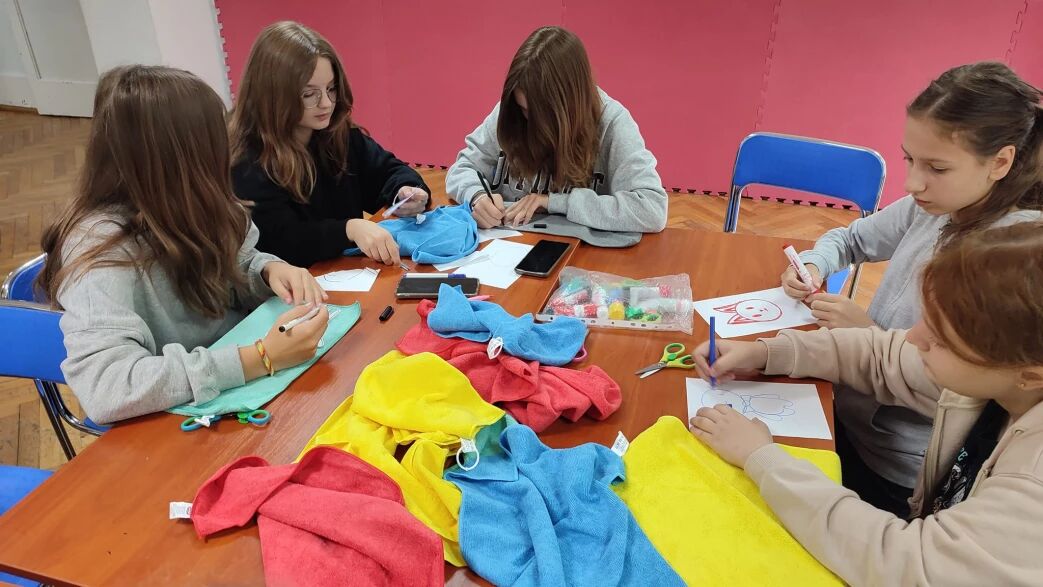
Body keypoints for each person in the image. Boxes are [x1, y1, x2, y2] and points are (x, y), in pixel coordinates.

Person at [693, 222, 1043, 585]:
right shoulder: (1003, 373)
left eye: (941, 340)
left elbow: (905, 564)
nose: (914, 336)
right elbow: (880, 353)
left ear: (1031, 375)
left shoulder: (1033, 484)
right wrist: (766, 352)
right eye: (927, 319)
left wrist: (762, 458)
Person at [779, 62, 1043, 514]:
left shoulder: (1012, 259)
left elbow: (972, 389)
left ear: (1001, 162)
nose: (913, 183)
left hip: (900, 464)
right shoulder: (935, 204)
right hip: (846, 407)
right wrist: (814, 263)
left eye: (936, 167)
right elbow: (852, 239)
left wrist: (869, 332)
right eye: (909, 159)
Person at [39, 65, 328, 425]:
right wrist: (260, 357)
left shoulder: (194, 203)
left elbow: (238, 264)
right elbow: (106, 387)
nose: (226, 154)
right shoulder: (97, 248)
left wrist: (267, 270)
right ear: (177, 160)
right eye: (215, 143)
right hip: (176, 423)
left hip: (235, 391)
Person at [229, 21, 430, 267]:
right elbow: (282, 243)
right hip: (295, 284)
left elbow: (387, 171)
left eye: (331, 89)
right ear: (273, 95)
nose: (325, 103)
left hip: (346, 273)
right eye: (309, 94)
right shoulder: (247, 160)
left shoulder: (337, 133)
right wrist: (348, 230)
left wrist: (405, 190)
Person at [445, 26, 668, 233]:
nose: (530, 122)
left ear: (568, 106)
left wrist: (555, 202)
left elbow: (652, 209)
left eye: (540, 114)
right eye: (524, 109)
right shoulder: (510, 112)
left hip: (582, 254)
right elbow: (462, 168)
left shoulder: (612, 122)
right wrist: (476, 196)